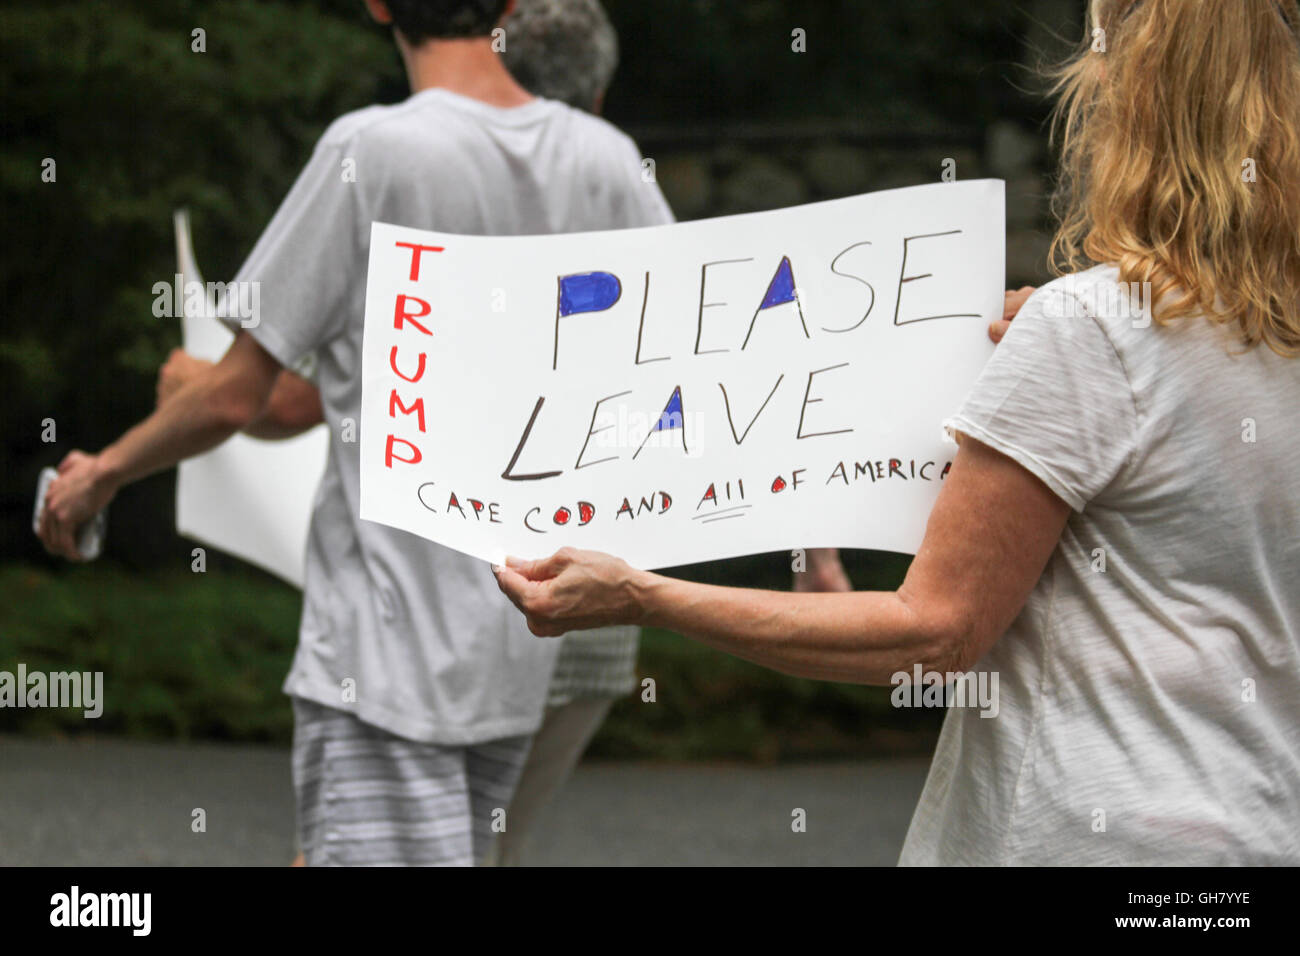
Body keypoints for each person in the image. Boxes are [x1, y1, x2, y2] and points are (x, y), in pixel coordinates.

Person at [494, 0, 1300, 865]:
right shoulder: (1265, 333)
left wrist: (641, 594)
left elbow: (934, 632)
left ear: (1127, 107)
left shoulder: (1093, 331)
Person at [40, 0, 671, 866]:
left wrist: (99, 474)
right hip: (520, 641)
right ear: (512, 6)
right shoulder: (606, 160)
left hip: (384, 654)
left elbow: (236, 397)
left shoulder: (368, 151)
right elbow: (679, 361)